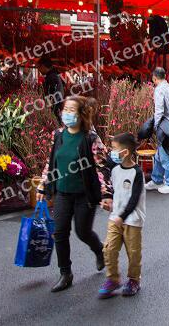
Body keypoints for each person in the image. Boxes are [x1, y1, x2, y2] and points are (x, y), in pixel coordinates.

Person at [41, 95, 111, 293]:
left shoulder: (90, 138)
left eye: (72, 110)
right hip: (62, 193)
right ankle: (65, 273)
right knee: (59, 232)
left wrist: (106, 193)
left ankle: (99, 250)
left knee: (82, 231)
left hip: (84, 195)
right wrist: (43, 185)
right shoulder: (59, 135)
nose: (67, 113)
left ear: (81, 114)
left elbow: (102, 166)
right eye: (65, 109)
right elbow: (51, 161)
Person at [98, 133, 145, 299]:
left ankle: (133, 280)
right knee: (109, 248)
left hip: (132, 219)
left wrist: (122, 215)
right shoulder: (114, 168)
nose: (112, 152)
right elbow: (102, 172)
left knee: (133, 253)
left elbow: (134, 199)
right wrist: (105, 198)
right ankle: (113, 279)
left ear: (125, 152)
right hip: (115, 216)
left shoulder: (137, 173)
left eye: (115, 149)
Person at [147, 68, 169, 194]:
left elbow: (159, 110)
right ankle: (157, 180)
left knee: (166, 154)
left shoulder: (159, 90)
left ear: (154, 78)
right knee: (161, 154)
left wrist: (156, 126)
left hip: (164, 124)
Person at [37, 55, 65, 123]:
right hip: (58, 109)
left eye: (39, 67)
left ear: (43, 66)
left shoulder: (51, 77)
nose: (38, 69)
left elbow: (51, 96)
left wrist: (47, 111)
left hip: (54, 111)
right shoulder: (55, 75)